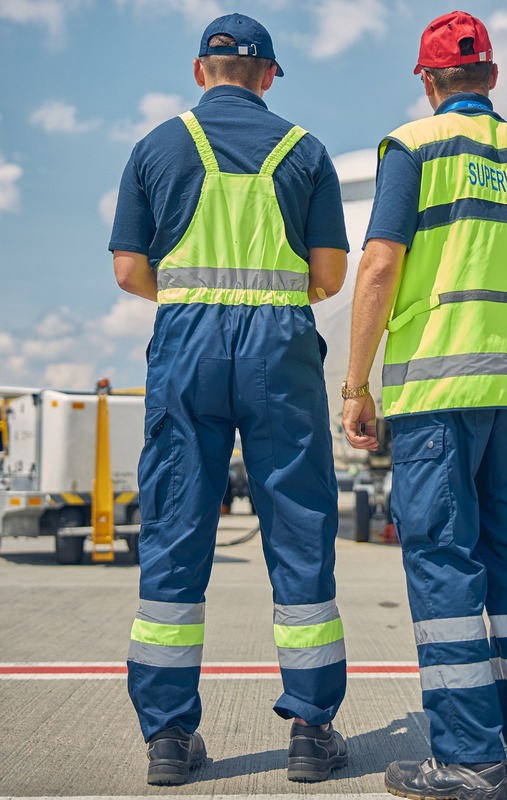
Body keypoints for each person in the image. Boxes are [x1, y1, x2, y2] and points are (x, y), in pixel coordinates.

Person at [342, 11, 507, 799]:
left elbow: (380, 262)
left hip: (439, 394)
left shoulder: (413, 148)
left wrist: (356, 383)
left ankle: (470, 758)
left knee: (447, 567)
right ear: (493, 77)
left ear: (428, 80)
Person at [110, 13, 349, 786]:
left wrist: (189, 297)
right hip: (280, 348)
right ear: (269, 74)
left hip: (187, 347)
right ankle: (312, 731)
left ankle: (170, 739)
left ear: (198, 70)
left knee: (178, 528)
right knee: (300, 527)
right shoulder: (305, 149)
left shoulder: (155, 147)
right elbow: (329, 277)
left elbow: (127, 272)